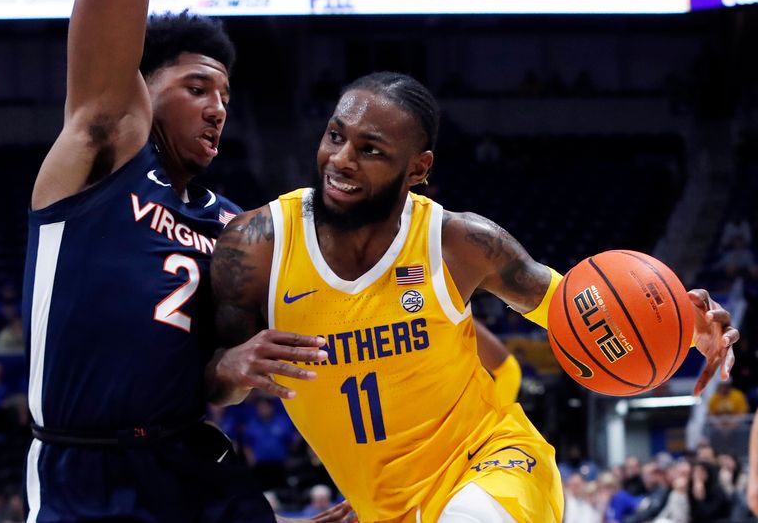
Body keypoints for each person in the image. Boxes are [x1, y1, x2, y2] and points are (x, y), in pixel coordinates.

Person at [207, 71, 739, 522]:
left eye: (370, 150)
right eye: (334, 136)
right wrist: (227, 368)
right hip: (385, 506)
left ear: (418, 169)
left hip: (495, 462)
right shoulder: (256, 246)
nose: (340, 159)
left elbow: (574, 309)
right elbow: (215, 387)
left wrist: (681, 326)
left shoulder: (459, 242)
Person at [23, 0, 351, 521]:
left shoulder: (236, 227)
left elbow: (219, 381)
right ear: (141, 89)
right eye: (197, 89)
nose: (218, 109)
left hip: (189, 459)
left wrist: (235, 368)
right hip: (86, 465)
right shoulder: (100, 155)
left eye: (224, 96)